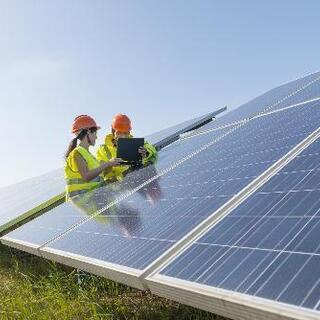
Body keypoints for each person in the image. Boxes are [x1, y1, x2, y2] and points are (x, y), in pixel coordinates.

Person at [64, 115, 122, 199]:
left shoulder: (88, 154)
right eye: (95, 133)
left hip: (94, 197)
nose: (96, 137)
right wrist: (108, 164)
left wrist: (110, 165)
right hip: (83, 201)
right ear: (88, 132)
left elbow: (98, 176)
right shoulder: (77, 153)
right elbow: (86, 176)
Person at [96, 114, 157, 182]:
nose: (123, 136)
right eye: (119, 133)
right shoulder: (103, 150)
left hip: (143, 179)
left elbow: (152, 149)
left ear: (129, 132)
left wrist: (146, 152)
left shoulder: (135, 143)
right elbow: (101, 172)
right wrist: (109, 164)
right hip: (123, 187)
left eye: (125, 133)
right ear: (113, 131)